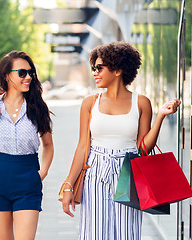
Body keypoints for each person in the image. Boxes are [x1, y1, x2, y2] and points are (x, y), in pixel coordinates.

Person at [60, 42, 181, 240]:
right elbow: (83, 146)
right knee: (94, 233)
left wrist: (160, 116)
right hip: (95, 171)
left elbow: (143, 148)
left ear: (117, 70)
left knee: (127, 233)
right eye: (93, 68)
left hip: (129, 171)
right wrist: (68, 186)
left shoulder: (141, 102)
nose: (95, 73)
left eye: (99, 68)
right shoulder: (90, 103)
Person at [0, 51, 54, 240]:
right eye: (22, 73)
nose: (29, 77)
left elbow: (48, 145)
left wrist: (43, 172)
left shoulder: (38, 108)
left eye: (31, 72)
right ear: (7, 75)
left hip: (28, 180)